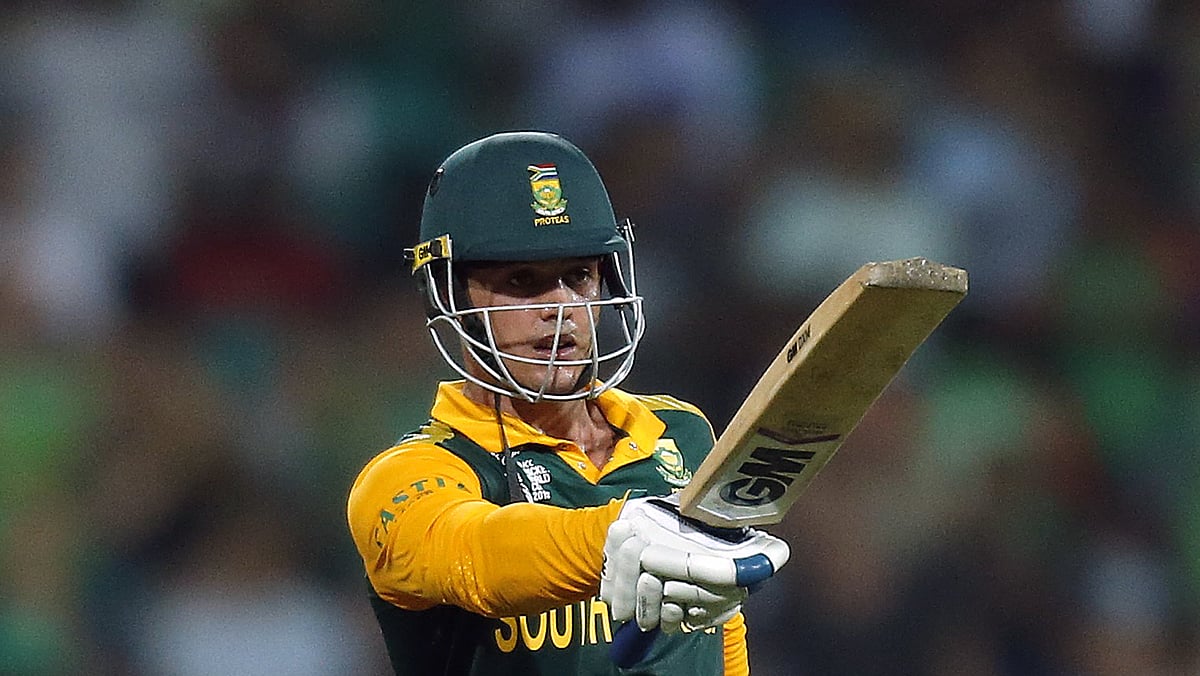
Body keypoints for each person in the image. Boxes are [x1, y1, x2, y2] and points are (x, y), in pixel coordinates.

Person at [346, 131, 789, 675]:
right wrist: (626, 532)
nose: (561, 307)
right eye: (521, 281)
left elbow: (719, 640)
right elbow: (478, 557)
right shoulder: (403, 479)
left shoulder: (682, 432)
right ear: (449, 295)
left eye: (578, 275)